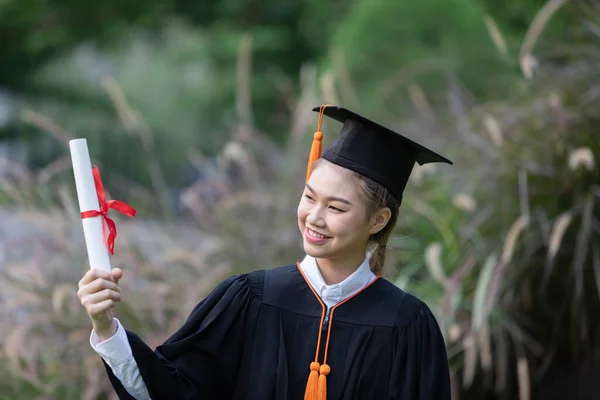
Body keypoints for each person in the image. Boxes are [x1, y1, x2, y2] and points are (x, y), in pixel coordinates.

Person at [77, 105, 453, 400]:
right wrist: (105, 326)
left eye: (336, 208)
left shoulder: (407, 326)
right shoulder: (249, 300)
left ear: (377, 220)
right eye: (309, 197)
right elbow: (170, 391)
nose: (315, 218)